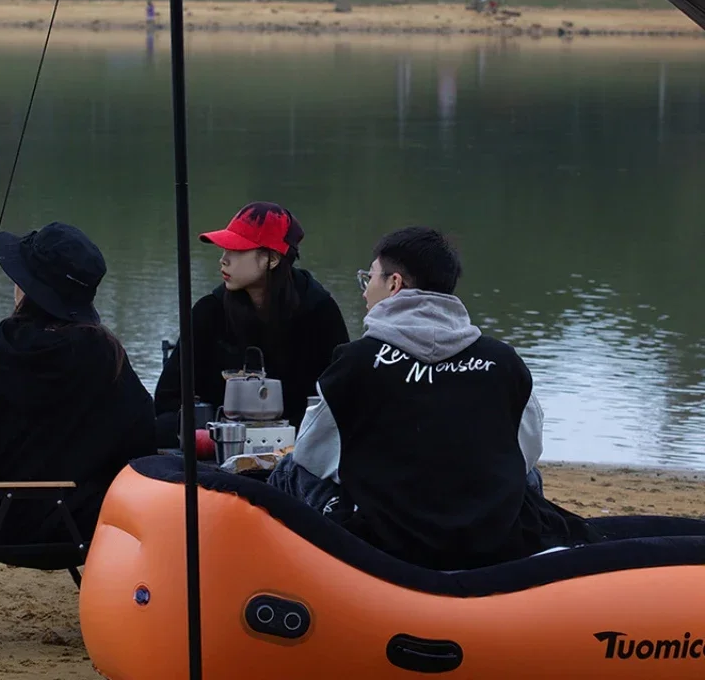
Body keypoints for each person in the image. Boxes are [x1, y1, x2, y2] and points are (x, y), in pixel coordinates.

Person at [273, 226, 600, 570]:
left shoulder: (354, 363)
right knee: (527, 477)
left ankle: (291, 573)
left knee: (291, 469)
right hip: (487, 540)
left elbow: (312, 453)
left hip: (386, 542)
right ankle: (515, 576)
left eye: (369, 279)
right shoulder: (503, 362)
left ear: (394, 284)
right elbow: (527, 452)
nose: (365, 292)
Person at [0, 222, 156, 546]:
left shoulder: (2, 346)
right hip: (73, 525)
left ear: (31, 290)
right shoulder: (100, 354)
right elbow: (141, 438)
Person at [154, 202, 349, 447]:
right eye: (224, 250)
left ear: (273, 258)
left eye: (236, 250)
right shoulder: (209, 311)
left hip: (301, 448)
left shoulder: (320, 311)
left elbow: (342, 399)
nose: (223, 260)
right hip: (218, 443)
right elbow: (167, 400)